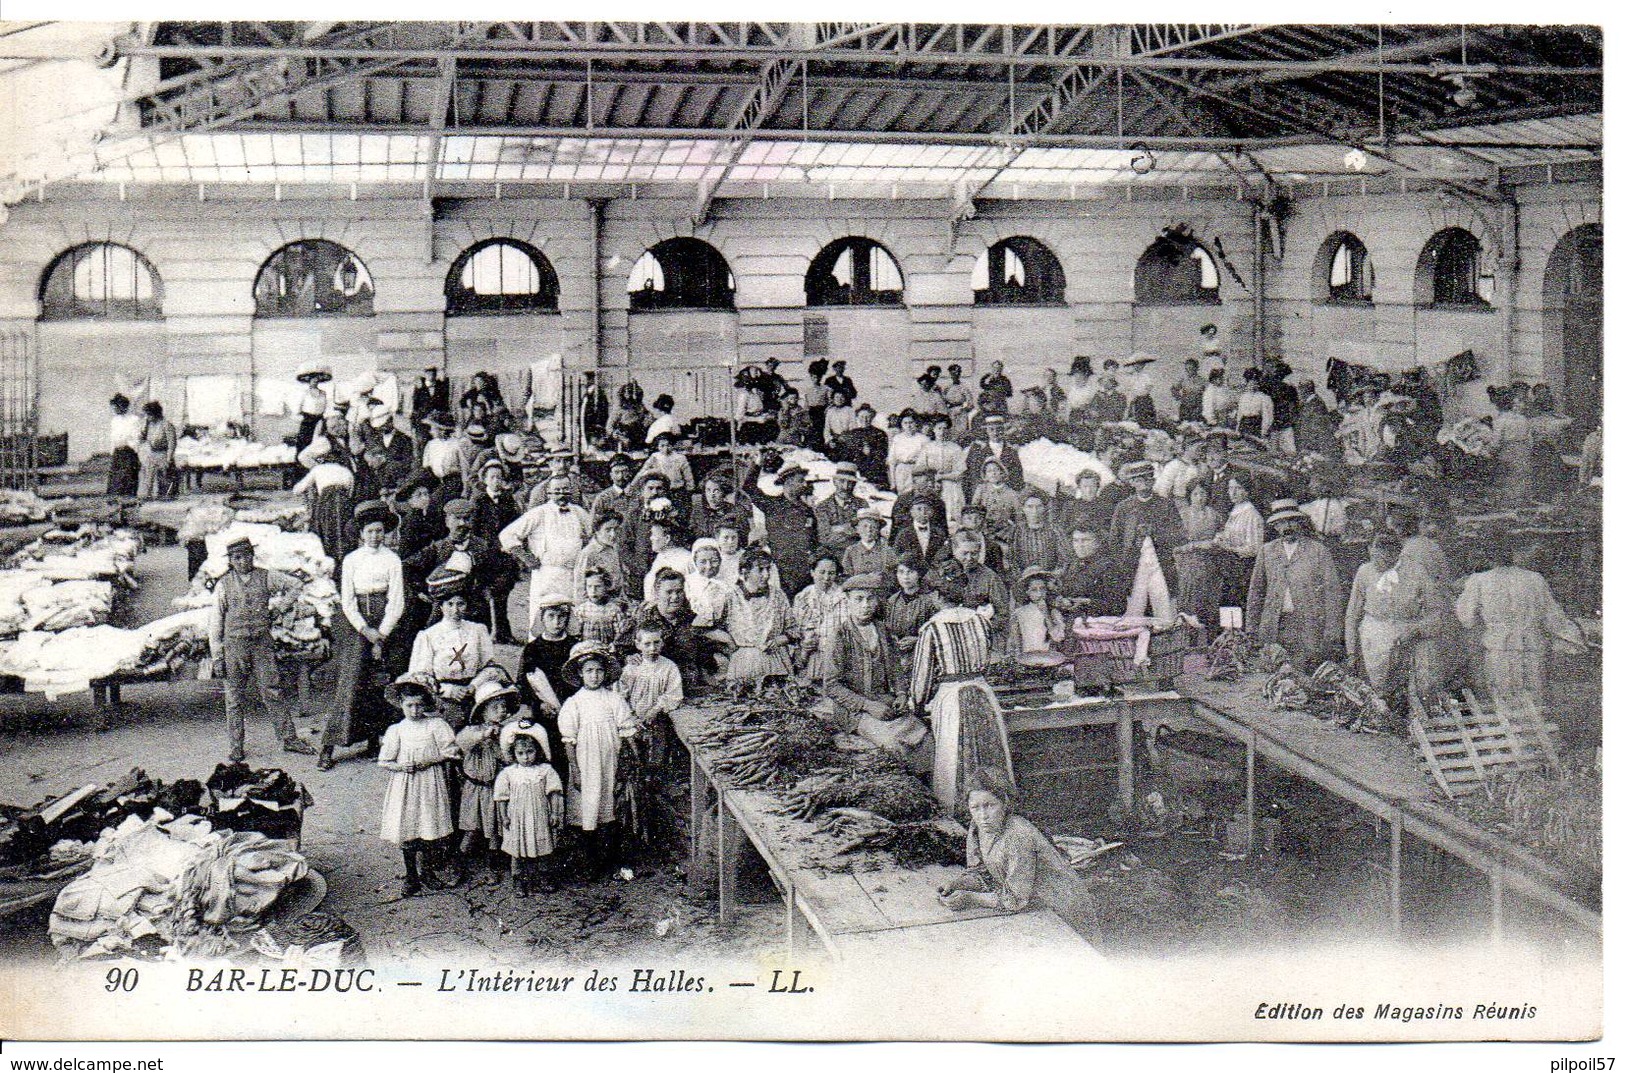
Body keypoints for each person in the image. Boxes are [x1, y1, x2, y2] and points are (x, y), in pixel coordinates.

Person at [939, 768, 1103, 944]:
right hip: (1033, 907)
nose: (983, 816)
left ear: (1005, 803)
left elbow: (1015, 899)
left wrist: (972, 898)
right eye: (975, 808)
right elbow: (983, 872)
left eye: (990, 805)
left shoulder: (1018, 835)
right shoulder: (977, 828)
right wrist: (958, 884)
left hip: (1062, 908)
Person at [909, 562, 1011, 812]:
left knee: (953, 757)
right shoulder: (980, 621)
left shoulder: (932, 629)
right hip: (982, 693)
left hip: (952, 697)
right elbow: (986, 660)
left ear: (935, 595)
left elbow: (921, 680)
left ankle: (958, 812)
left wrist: (916, 705)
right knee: (989, 754)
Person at [207, 537, 314, 762]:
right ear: (231, 561)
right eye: (237, 557)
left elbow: (295, 585)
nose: (243, 561)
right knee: (234, 697)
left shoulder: (266, 576)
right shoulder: (223, 584)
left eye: (247, 555)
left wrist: (281, 608)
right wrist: (217, 656)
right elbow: (215, 622)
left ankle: (289, 738)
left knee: (272, 691)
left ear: (253, 556)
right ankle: (236, 746)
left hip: (261, 645)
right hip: (234, 647)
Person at [321, 501, 408, 771]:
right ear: (361, 533)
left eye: (379, 531)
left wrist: (382, 633)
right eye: (370, 531)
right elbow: (347, 601)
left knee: (382, 681)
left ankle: (376, 740)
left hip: (386, 623)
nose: (375, 536)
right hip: (356, 624)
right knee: (351, 680)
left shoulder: (392, 559)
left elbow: (397, 600)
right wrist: (365, 630)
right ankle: (329, 746)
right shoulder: (351, 560)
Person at [1455, 540, 1587, 718]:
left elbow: (1465, 618)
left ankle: (1506, 743)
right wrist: (1576, 637)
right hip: (1531, 650)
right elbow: (1554, 619)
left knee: (1502, 705)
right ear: (1512, 554)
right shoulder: (1535, 579)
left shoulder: (1479, 581)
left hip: (1498, 651)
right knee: (1533, 703)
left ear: (1486, 555)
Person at [822, 573, 929, 769]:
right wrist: (868, 706)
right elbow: (831, 686)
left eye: (870, 598)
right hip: (853, 711)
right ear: (848, 602)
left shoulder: (882, 629)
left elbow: (895, 668)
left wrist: (901, 693)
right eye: (859, 599)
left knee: (923, 734)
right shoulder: (839, 635)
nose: (865, 605)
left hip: (883, 702)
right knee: (893, 744)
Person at [377, 672, 461, 898]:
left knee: (429, 827)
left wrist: (429, 761)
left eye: (419, 705)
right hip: (405, 785)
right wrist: (402, 766)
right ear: (401, 705)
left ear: (426, 705)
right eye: (409, 705)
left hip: (430, 782)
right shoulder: (397, 730)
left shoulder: (436, 725)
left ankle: (428, 872)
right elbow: (384, 762)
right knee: (409, 829)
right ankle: (411, 875)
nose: (414, 711)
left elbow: (451, 753)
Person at [559, 642, 638, 877]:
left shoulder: (614, 700)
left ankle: (608, 860)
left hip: (609, 764)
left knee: (609, 809)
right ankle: (586, 863)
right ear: (581, 674)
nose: (594, 676)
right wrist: (575, 769)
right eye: (589, 671)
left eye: (599, 671)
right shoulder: (574, 703)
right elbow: (569, 741)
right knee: (586, 811)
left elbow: (627, 733)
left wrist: (628, 763)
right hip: (586, 765)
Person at [1246, 501, 1345, 671]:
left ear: (1300, 523)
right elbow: (1257, 592)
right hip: (1274, 626)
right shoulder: (1267, 551)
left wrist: (1332, 631)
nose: (1287, 527)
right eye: (1281, 523)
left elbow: (1332, 593)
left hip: (1308, 626)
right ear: (1275, 526)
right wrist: (1252, 627)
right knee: (1273, 677)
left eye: (1291, 521)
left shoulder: (1318, 551)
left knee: (1303, 676)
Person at [501, 474, 593, 637]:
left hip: (574, 575)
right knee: (544, 616)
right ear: (548, 493)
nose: (561, 494)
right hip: (547, 574)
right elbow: (507, 535)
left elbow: (594, 534)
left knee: (571, 618)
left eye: (566, 489)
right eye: (557, 490)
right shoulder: (539, 513)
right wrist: (526, 558)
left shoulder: (579, 513)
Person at [408, 568, 494, 725]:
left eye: (460, 604)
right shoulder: (428, 635)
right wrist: (448, 690)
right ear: (441, 606)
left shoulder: (478, 630)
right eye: (450, 604)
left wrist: (473, 686)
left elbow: (489, 667)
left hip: (473, 692)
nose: (455, 610)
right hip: (442, 696)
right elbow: (420, 676)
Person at [455, 678, 522, 871]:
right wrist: (484, 735)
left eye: (503, 707)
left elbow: (508, 759)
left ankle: (493, 868)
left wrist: (500, 743)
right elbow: (462, 743)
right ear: (483, 711)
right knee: (472, 829)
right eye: (496, 707)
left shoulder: (506, 732)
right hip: (475, 788)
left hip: (495, 787)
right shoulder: (472, 731)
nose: (502, 710)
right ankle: (459, 865)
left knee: (494, 830)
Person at [494, 721, 565, 897]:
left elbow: (555, 793)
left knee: (543, 848)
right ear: (514, 754)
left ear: (538, 751)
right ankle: (519, 880)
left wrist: (555, 813)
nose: (525, 757)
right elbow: (501, 798)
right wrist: (504, 817)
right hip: (518, 818)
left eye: (530, 752)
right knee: (517, 851)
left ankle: (544, 877)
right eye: (520, 753)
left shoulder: (545, 770)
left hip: (539, 816)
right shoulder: (508, 773)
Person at [1108, 460, 1186, 621]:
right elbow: (1115, 540)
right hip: (1134, 565)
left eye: (1147, 479)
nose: (1143, 484)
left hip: (1161, 564)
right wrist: (1122, 562)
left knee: (1165, 608)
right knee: (1134, 610)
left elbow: (1179, 536)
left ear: (1153, 480)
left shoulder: (1165, 505)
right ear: (1132, 483)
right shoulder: (1124, 507)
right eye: (1138, 480)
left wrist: (1156, 533)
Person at [618, 567, 710, 690]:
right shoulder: (642, 620)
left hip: (689, 683)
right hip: (654, 684)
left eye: (679, 591)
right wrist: (628, 656)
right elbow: (620, 647)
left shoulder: (692, 619)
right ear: (657, 592)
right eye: (669, 592)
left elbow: (706, 651)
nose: (675, 597)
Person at [518, 594, 576, 780]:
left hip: (571, 711)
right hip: (544, 713)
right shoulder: (533, 649)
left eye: (561, 617)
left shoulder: (574, 646)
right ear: (542, 619)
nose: (556, 622)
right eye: (551, 617)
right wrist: (539, 705)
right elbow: (524, 683)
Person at [720, 547, 797, 684]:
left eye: (768, 569)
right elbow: (703, 626)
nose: (766, 575)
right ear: (745, 572)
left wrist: (780, 640)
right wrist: (729, 641)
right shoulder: (731, 596)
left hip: (776, 660)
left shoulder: (778, 595)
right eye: (760, 570)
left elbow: (793, 629)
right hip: (743, 662)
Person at [617, 623, 685, 772]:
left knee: (657, 759)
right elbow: (620, 695)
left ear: (662, 642)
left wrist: (655, 710)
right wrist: (632, 717)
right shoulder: (632, 668)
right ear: (638, 644)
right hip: (632, 719)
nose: (652, 648)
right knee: (632, 759)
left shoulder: (669, 667)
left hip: (657, 719)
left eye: (656, 643)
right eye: (647, 644)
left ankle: (655, 785)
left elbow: (674, 694)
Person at [757, 464, 820, 596]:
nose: (804, 485)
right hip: (780, 569)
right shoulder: (772, 504)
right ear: (788, 481)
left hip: (804, 570)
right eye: (800, 480)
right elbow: (748, 488)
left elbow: (814, 539)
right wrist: (758, 464)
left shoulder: (807, 510)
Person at [1174, 482, 1224, 629]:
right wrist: (1196, 545)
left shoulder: (1214, 514)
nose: (1199, 497)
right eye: (1195, 494)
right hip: (1189, 566)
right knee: (1189, 603)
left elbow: (1221, 535)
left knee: (1209, 603)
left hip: (1210, 565)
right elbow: (1176, 546)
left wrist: (1217, 541)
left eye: (1202, 493)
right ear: (1189, 496)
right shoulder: (1183, 515)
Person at [1212, 476, 1265, 611]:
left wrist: (1229, 548)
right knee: (1227, 605)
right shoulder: (1236, 511)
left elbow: (1255, 548)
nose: (1233, 493)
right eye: (1230, 489)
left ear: (1247, 491)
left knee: (1238, 604)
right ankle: (1228, 631)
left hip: (1244, 568)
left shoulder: (1252, 515)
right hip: (1231, 566)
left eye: (1238, 488)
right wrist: (1221, 538)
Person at [292, 455, 356, 564]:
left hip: (327, 501)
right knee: (344, 532)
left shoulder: (318, 469)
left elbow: (298, 489)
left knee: (327, 532)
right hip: (344, 503)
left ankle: (331, 561)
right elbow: (351, 492)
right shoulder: (346, 471)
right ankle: (344, 561)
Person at [792, 554, 847, 677]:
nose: (826, 577)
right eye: (822, 572)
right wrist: (804, 647)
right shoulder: (802, 597)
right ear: (812, 572)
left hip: (833, 658)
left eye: (831, 573)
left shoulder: (843, 598)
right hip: (807, 658)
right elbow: (794, 630)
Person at [1055, 527, 1122, 619]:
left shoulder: (1108, 567)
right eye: (1076, 540)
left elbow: (1118, 606)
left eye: (1085, 540)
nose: (1080, 545)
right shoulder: (1070, 565)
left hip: (1097, 625)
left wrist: (1087, 602)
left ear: (1097, 543)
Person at [1008, 568, 1067, 663]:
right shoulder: (1019, 613)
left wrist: (1046, 615)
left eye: (1042, 589)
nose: (1039, 594)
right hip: (1026, 659)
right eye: (1034, 590)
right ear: (1027, 592)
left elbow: (1058, 638)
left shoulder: (1053, 612)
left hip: (1049, 659)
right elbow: (1015, 641)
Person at [962, 415, 1024, 498]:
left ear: (1003, 430)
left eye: (999, 429)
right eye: (991, 429)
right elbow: (972, 473)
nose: (995, 433)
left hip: (1006, 494)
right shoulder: (977, 449)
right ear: (986, 430)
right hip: (984, 494)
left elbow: (1017, 475)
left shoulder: (1011, 450)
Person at [833, 402, 891, 489]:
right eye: (862, 417)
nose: (865, 419)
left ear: (872, 417)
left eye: (868, 417)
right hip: (856, 471)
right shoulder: (853, 433)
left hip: (875, 471)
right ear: (858, 417)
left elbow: (883, 453)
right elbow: (847, 453)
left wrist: (871, 452)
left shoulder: (880, 433)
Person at [1009, 490, 1064, 577]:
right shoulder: (1017, 531)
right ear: (1023, 509)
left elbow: (1064, 559)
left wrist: (1052, 575)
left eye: (1039, 507)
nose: (1034, 511)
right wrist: (1022, 575)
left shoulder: (1054, 530)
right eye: (1030, 507)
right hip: (1024, 579)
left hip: (1050, 580)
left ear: (1045, 508)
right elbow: (1011, 560)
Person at [814, 462, 866, 553]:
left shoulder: (862, 505)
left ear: (855, 484)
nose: (845, 487)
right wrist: (851, 529)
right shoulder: (822, 507)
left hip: (857, 554)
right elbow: (824, 538)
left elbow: (868, 534)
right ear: (834, 481)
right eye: (841, 481)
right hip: (831, 554)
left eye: (850, 483)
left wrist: (836, 529)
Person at [970, 460, 1022, 546]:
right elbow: (973, 510)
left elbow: (1019, 517)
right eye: (989, 471)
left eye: (996, 470)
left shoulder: (1012, 494)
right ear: (985, 475)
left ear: (1002, 472)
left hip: (1003, 533)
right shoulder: (981, 489)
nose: (993, 473)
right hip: (983, 531)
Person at [136, 400, 177, 500]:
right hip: (152, 454)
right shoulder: (149, 425)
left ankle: (165, 498)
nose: (147, 417)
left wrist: (169, 458)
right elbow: (142, 439)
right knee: (148, 479)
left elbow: (172, 443)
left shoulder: (166, 425)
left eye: (149, 415)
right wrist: (144, 428)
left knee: (164, 478)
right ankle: (148, 497)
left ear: (155, 413)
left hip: (163, 454)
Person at [843, 510, 898, 582]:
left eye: (873, 527)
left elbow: (893, 577)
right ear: (857, 529)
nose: (869, 530)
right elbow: (846, 578)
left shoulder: (887, 551)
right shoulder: (851, 551)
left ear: (878, 529)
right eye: (864, 526)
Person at [106, 394, 142, 498]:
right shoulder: (115, 421)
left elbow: (136, 438)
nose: (114, 409)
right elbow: (113, 439)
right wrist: (112, 453)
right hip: (117, 454)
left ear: (123, 406)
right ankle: (115, 505)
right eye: (113, 407)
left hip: (129, 453)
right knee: (115, 482)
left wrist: (132, 450)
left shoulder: (133, 420)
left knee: (128, 479)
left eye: (116, 406)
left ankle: (128, 504)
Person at [295, 364, 334, 453]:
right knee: (304, 441)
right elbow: (298, 409)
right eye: (312, 380)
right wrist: (305, 416)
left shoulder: (323, 393)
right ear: (309, 381)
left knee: (318, 442)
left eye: (316, 380)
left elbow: (327, 407)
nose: (314, 381)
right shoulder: (305, 393)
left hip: (320, 420)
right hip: (307, 420)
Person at [888, 410, 929, 493]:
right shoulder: (897, 438)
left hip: (918, 471)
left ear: (916, 423)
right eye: (905, 423)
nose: (908, 426)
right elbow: (892, 461)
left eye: (911, 422)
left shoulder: (923, 439)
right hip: (901, 471)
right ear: (901, 424)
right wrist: (893, 482)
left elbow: (928, 460)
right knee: (903, 497)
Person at [1170, 359, 1207, 426]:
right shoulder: (1183, 380)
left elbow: (1208, 393)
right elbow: (1173, 389)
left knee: (1197, 426)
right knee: (1184, 426)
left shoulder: (1202, 381)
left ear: (1196, 368)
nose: (1189, 371)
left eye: (1191, 368)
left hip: (1197, 407)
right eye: (1187, 369)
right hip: (1185, 407)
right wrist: (1179, 397)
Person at [942, 364, 975, 437]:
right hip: (949, 413)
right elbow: (942, 401)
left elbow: (971, 403)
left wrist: (964, 409)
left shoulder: (964, 387)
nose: (955, 375)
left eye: (958, 373)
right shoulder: (947, 387)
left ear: (960, 374)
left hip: (961, 414)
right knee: (950, 432)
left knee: (961, 432)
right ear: (950, 374)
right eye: (953, 373)